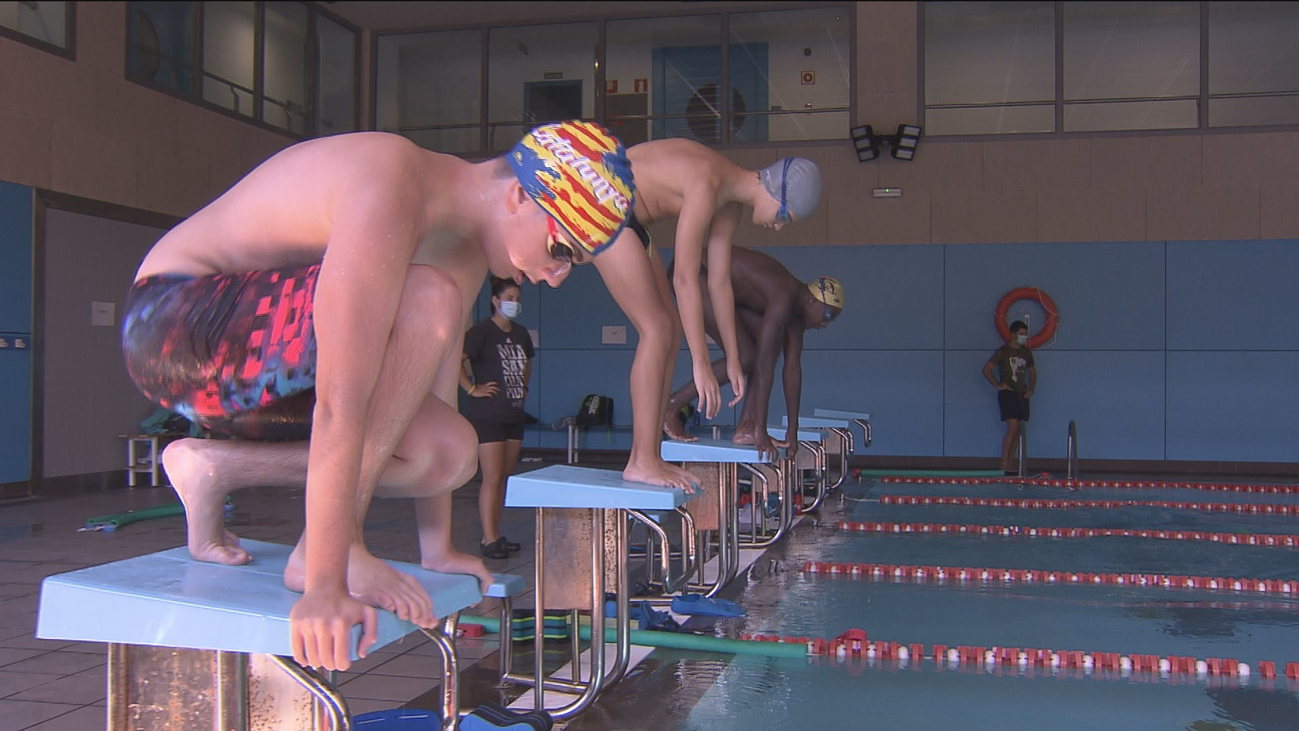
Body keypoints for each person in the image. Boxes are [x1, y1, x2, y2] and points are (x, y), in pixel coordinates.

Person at [121, 121, 636, 672]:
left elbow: (426, 388)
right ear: (518, 195)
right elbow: (343, 401)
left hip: (259, 364)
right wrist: (327, 577)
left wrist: (435, 550)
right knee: (428, 301)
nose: (556, 276)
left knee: (447, 453)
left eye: (572, 265)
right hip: (172, 325)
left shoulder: (461, 247)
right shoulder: (393, 183)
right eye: (562, 249)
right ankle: (327, 548)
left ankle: (212, 468)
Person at [618, 139, 822, 446]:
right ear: (775, 190)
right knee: (659, 330)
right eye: (783, 217)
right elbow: (685, 278)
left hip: (632, 224)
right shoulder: (708, 182)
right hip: (605, 208)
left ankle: (651, 448)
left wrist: (733, 359)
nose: (778, 227)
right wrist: (700, 365)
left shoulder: (730, 203)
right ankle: (643, 457)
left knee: (667, 331)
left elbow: (719, 283)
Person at [663, 247, 843, 461]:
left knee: (759, 349)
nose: (825, 323)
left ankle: (747, 427)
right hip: (694, 270)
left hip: (719, 286)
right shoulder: (783, 296)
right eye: (827, 314)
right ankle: (671, 406)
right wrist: (762, 431)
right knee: (747, 356)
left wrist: (792, 431)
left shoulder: (795, 318)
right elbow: (764, 365)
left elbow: (792, 370)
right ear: (812, 300)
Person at [459, 277, 534, 560]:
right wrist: (472, 388)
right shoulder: (481, 332)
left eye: (517, 299)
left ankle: (496, 533)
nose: (514, 304)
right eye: (509, 298)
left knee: (503, 476)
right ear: (495, 300)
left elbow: (527, 361)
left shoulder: (521, 333)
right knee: (491, 476)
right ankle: (489, 538)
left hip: (513, 412)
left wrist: (523, 387)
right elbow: (457, 360)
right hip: (487, 415)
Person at [982, 320, 1037, 475]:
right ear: (1013, 334)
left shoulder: (1026, 353)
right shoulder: (1003, 351)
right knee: (1012, 428)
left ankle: (1010, 463)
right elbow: (987, 369)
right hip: (1009, 394)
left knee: (1018, 430)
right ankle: (1003, 463)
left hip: (1022, 394)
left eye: (1025, 334)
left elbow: (1032, 372)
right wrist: (998, 384)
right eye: (1021, 334)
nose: (1024, 337)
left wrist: (1031, 389)